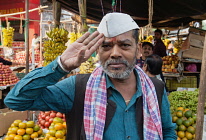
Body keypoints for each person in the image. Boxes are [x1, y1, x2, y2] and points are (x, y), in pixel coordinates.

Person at [4, 13, 177, 140]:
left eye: (124, 45)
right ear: (97, 51)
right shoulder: (78, 88)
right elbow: (16, 101)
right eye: (106, 46)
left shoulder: (156, 88)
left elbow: (167, 130)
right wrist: (60, 65)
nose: (115, 53)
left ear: (138, 50)